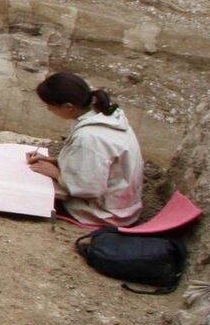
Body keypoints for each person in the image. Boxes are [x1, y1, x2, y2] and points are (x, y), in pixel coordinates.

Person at [25, 72, 145, 228]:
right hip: (126, 207)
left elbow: (87, 188)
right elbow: (101, 163)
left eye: (50, 106)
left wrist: (55, 172)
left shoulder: (89, 136)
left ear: (68, 107)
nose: (48, 109)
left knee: (32, 192)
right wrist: (57, 162)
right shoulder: (108, 116)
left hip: (106, 214)